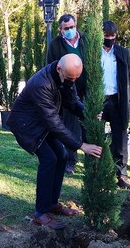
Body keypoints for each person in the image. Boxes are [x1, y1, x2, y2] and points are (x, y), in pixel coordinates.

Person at [6, 54, 102, 230]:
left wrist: (88, 113)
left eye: (76, 78)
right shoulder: (41, 84)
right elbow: (54, 122)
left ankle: (52, 204)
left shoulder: (65, 77)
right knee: (49, 159)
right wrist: (81, 145)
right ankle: (40, 213)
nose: (72, 82)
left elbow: (72, 102)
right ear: (59, 69)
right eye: (70, 78)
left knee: (62, 155)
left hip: (42, 123)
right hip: (28, 126)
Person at [46, 14, 88, 175]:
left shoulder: (85, 40)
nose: (69, 30)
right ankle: (70, 161)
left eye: (71, 27)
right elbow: (51, 66)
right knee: (70, 126)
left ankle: (92, 159)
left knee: (87, 123)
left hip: (86, 89)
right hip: (67, 91)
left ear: (75, 24)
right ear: (60, 29)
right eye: (66, 29)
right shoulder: (55, 45)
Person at [101, 21, 130, 189]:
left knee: (120, 139)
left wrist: (120, 89)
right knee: (95, 136)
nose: (109, 39)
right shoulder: (94, 53)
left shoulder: (123, 53)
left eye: (112, 36)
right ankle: (97, 170)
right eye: (106, 36)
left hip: (116, 101)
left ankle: (121, 174)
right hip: (99, 100)